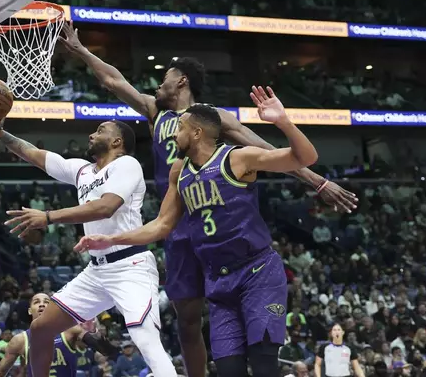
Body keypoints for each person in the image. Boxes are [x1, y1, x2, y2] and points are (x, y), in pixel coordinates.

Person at [58, 21, 358, 377]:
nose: (158, 83)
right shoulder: (156, 113)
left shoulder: (211, 118)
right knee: (186, 318)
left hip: (217, 215)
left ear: (182, 81)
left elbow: (265, 149)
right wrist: (81, 51)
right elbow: (113, 80)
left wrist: (318, 182)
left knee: (241, 308)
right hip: (176, 219)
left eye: (165, 77)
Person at [74, 91, 317, 377]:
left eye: (179, 129)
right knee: (228, 369)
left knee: (263, 362)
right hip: (218, 280)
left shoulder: (238, 158)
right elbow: (162, 225)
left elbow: (306, 157)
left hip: (257, 271)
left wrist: (284, 122)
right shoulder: (180, 170)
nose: (173, 135)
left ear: (197, 132)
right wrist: (111, 239)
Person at [0, 115, 176, 376]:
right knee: (40, 328)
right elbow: (35, 154)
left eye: (100, 130)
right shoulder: (82, 170)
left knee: (145, 339)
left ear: (117, 141)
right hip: (96, 271)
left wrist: (48, 216)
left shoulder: (127, 164)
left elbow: (105, 207)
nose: (92, 135)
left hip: (130, 265)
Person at [0, 293, 118, 377]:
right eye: (36, 302)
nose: (41, 304)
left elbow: (108, 351)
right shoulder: (19, 340)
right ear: (30, 310)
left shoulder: (69, 330)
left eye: (46, 302)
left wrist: (94, 332)